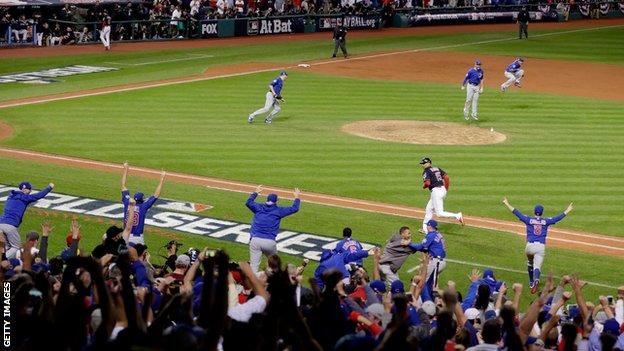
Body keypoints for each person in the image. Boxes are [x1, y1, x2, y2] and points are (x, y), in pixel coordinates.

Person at [502, 197, 573, 294]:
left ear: (534, 211)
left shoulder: (528, 220)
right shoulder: (546, 221)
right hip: (540, 247)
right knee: (537, 267)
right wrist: (567, 210)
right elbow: (557, 218)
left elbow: (516, 212)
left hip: (529, 247)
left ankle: (531, 282)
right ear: (542, 212)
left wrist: (506, 203)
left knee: (530, 262)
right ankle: (536, 280)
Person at [245, 185, 301, 273]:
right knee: (275, 266)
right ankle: (275, 283)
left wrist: (255, 192)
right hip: (269, 242)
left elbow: (248, 202)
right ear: (276, 201)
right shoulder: (278, 211)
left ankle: (252, 285)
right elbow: (295, 208)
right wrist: (297, 197)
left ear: (267, 200)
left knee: (253, 267)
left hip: (255, 240)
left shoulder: (258, 207)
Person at [0, 181, 54, 259]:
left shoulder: (11, 196)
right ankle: (2, 261)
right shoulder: (24, 198)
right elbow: (39, 195)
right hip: (10, 226)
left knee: (7, 246)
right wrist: (49, 188)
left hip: (1, 223)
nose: (30, 191)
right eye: (29, 189)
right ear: (24, 190)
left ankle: (4, 265)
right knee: (15, 247)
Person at [121, 162, 166, 245]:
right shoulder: (143, 206)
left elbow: (123, 186)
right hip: (137, 239)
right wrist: (162, 179)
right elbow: (156, 195)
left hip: (125, 236)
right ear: (142, 200)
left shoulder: (127, 202)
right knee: (141, 256)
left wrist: (126, 169)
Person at [420, 157, 464, 233]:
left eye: (424, 163)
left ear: (429, 163)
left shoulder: (426, 171)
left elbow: (427, 183)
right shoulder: (437, 168)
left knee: (439, 213)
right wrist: (446, 189)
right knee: (429, 209)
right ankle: (425, 229)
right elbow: (446, 177)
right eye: (422, 164)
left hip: (436, 192)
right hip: (442, 189)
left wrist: (424, 186)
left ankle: (457, 216)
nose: (422, 165)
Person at [408, 219, 447, 291]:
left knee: (423, 281)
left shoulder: (431, 236)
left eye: (427, 225)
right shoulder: (437, 234)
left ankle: (420, 297)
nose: (426, 227)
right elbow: (426, 249)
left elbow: (422, 247)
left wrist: (409, 244)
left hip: (436, 262)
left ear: (429, 226)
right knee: (431, 281)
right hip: (440, 261)